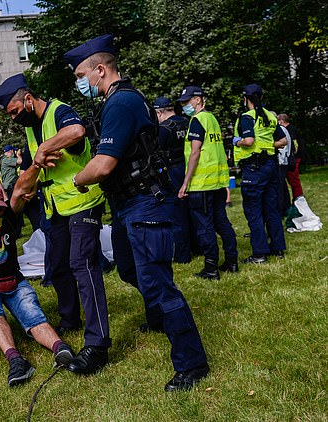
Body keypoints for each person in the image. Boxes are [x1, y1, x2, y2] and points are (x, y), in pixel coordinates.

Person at [63, 34, 209, 391]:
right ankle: (159, 319)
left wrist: (78, 180)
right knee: (129, 270)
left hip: (144, 203)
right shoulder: (119, 101)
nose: (80, 83)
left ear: (100, 69)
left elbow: (103, 165)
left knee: (159, 284)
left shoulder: (122, 103)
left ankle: (192, 364)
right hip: (128, 204)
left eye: (82, 75)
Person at [0, 73, 110, 375]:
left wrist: (45, 149)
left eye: (15, 111)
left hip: (83, 200)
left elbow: (76, 131)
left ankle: (97, 343)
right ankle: (70, 319)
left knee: (82, 266)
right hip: (55, 208)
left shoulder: (58, 111)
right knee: (56, 266)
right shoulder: (33, 128)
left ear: (28, 99)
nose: (14, 119)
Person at [0, 179, 75, 387]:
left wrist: (37, 163)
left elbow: (20, 188)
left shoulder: (8, 216)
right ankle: (16, 360)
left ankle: (61, 348)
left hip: (13, 281)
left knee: (32, 314)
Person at [176, 86, 238, 279]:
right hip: (218, 183)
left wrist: (185, 182)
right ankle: (231, 261)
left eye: (187, 102)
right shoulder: (212, 119)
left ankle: (211, 268)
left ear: (198, 100)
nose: (184, 106)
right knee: (222, 223)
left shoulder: (197, 121)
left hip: (201, 184)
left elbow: (195, 152)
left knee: (204, 228)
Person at [233, 84, 287, 263]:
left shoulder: (247, 117)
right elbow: (283, 140)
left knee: (253, 210)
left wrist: (237, 142)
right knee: (271, 208)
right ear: (261, 98)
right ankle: (278, 248)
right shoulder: (271, 117)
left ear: (245, 99)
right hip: (271, 166)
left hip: (254, 168)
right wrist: (267, 146)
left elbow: (249, 141)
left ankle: (259, 253)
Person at [153, 97, 192, 263]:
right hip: (188, 168)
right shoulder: (187, 122)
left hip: (172, 171)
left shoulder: (164, 129)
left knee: (176, 213)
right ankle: (196, 247)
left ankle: (182, 254)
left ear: (160, 112)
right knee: (190, 211)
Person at [277, 114, 304, 204]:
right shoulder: (291, 128)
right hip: (293, 157)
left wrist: (292, 156)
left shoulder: (290, 130)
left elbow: (295, 144)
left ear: (281, 121)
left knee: (294, 180)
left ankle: (298, 198)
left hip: (293, 158)